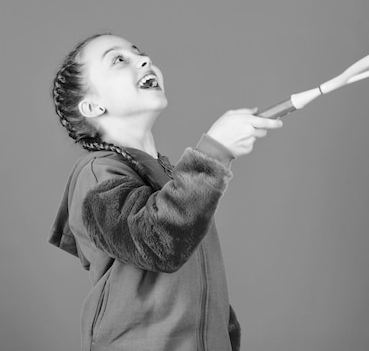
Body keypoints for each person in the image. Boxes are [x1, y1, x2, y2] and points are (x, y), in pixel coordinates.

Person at [48, 33, 282, 351]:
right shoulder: (97, 176)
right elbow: (159, 243)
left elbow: (200, 285)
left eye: (139, 53)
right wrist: (213, 153)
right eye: (118, 60)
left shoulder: (173, 178)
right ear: (92, 105)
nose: (145, 60)